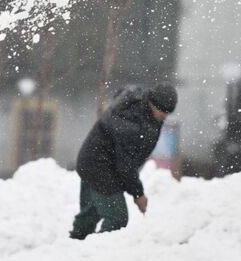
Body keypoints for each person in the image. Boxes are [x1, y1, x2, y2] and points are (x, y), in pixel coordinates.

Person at [69, 82, 177, 240]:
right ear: (153, 104)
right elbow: (126, 165)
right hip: (100, 167)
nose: (165, 116)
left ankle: (73, 247)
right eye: (162, 111)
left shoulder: (139, 100)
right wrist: (138, 194)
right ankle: (96, 252)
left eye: (168, 112)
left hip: (92, 160)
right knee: (117, 218)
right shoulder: (131, 123)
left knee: (91, 213)